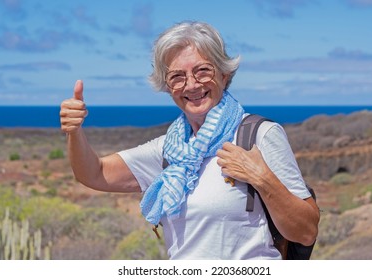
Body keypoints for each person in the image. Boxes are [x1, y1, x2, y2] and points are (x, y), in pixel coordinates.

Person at [60, 21, 320, 260]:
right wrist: (75, 132)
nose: (192, 85)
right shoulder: (169, 151)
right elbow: (94, 173)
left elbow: (306, 232)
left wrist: (262, 178)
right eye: (177, 77)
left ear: (224, 75)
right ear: (167, 86)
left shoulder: (258, 135)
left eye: (202, 71)